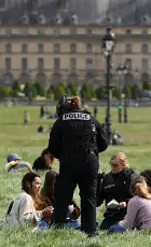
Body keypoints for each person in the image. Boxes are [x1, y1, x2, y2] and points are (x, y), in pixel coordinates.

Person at [47, 95, 108, 237]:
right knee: (89, 198)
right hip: (90, 161)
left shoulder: (61, 122)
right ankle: (90, 231)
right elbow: (104, 144)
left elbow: (53, 147)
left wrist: (64, 156)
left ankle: (57, 229)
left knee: (63, 196)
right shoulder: (92, 119)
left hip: (69, 161)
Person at [97, 152, 136, 230]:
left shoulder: (132, 177)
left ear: (123, 164)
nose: (112, 167)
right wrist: (97, 185)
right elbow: (97, 202)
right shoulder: (106, 178)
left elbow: (141, 198)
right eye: (111, 164)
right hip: (111, 215)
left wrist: (126, 203)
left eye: (115, 165)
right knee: (104, 229)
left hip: (127, 215)